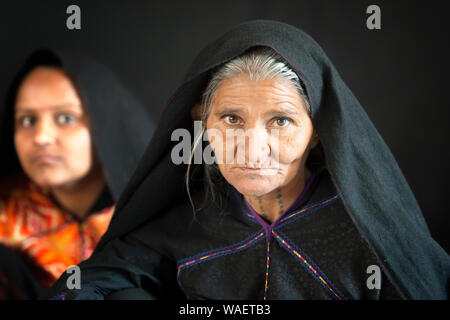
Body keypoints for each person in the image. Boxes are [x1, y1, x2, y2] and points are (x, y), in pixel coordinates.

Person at [47, 20, 449, 300]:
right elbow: (88, 281)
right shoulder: (188, 219)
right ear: (201, 120)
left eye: (281, 121)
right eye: (231, 119)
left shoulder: (367, 234)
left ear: (318, 132)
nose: (252, 150)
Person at [0, 49, 155, 299]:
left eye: (65, 118)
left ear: (106, 126)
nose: (41, 137)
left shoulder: (159, 216)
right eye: (27, 121)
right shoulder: (6, 216)